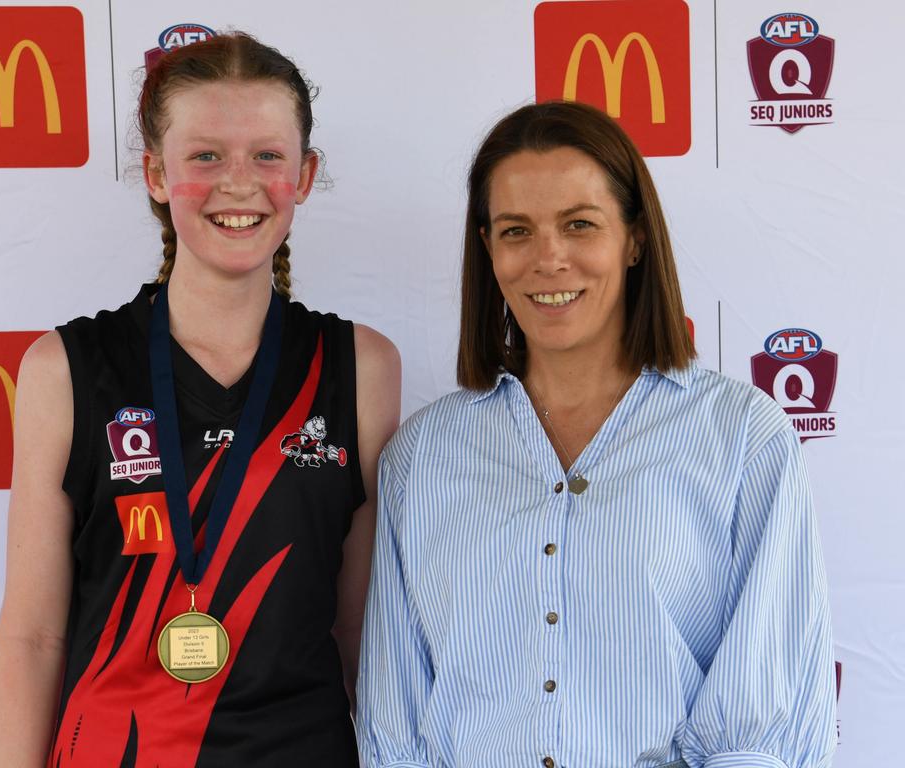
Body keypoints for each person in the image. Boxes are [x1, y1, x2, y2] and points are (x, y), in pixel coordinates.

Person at [356, 101, 835, 768]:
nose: (549, 259)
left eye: (580, 225)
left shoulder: (741, 437)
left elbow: (763, 720)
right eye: (516, 231)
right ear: (488, 248)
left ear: (634, 238)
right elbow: (396, 722)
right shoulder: (423, 457)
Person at [0, 32, 400, 767]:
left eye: (268, 156)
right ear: (155, 172)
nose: (237, 183)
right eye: (205, 155)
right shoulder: (66, 368)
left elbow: (362, 634)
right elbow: (33, 636)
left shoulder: (361, 368)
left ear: (303, 176)